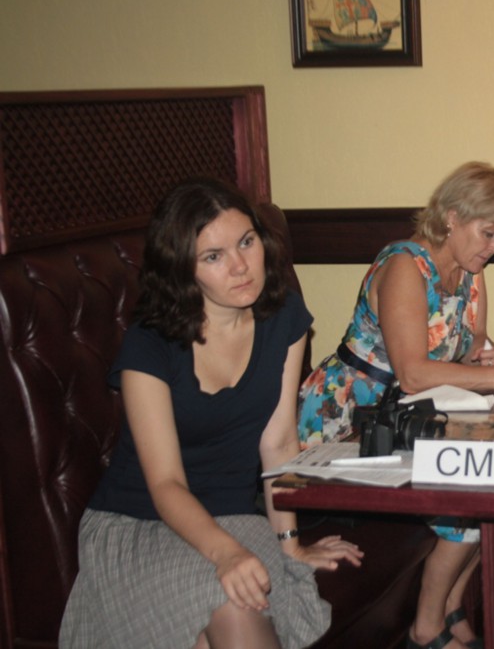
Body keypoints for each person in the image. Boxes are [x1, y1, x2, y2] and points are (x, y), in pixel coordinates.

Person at [60, 178, 364, 649]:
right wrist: (226, 554)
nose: (240, 266)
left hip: (231, 517)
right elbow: (166, 483)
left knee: (237, 604)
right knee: (235, 601)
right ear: (184, 268)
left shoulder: (283, 314)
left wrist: (291, 545)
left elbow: (279, 443)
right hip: (138, 524)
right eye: (213, 256)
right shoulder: (150, 343)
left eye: (246, 242)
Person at [298, 161, 494, 649]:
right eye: (488, 233)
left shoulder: (470, 273)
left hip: (409, 416)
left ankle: (450, 607)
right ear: (451, 217)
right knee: (472, 499)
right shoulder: (405, 265)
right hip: (348, 420)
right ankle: (426, 626)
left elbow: (470, 349)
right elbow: (413, 372)